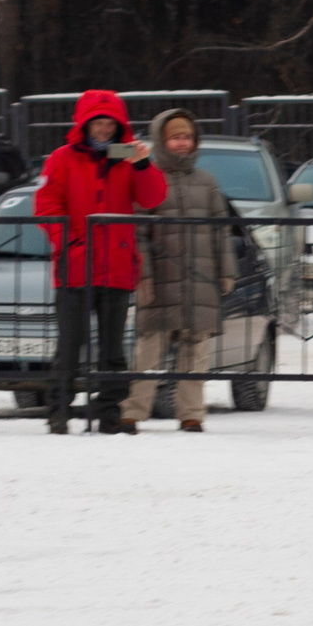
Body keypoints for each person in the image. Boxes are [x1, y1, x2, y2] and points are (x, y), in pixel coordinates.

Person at [35, 90, 168, 434]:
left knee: (113, 348)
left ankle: (110, 412)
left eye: (111, 123)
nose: (105, 129)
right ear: (85, 124)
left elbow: (153, 197)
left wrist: (141, 164)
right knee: (70, 344)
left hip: (117, 265)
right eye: (99, 122)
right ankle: (58, 410)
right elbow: (47, 205)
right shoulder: (62, 158)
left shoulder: (128, 157)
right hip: (76, 265)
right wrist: (69, 241)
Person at [122, 110, 235, 433]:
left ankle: (191, 413)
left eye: (187, 137)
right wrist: (142, 276)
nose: (182, 143)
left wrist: (226, 272)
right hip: (161, 281)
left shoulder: (208, 182)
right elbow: (139, 233)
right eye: (175, 137)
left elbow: (221, 232)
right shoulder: (148, 177)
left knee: (196, 351)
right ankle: (133, 411)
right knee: (148, 350)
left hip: (201, 283)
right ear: (162, 140)